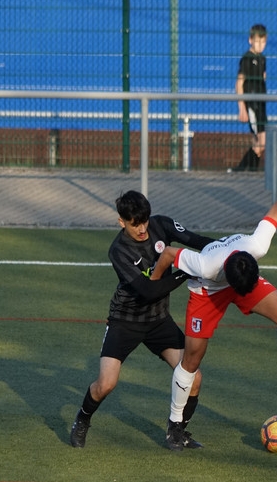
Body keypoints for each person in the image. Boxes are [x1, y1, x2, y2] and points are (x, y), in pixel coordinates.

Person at [150, 193, 277, 451]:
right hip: (207, 292)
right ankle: (174, 424)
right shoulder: (205, 265)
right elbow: (169, 253)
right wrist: (153, 286)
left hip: (242, 277)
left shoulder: (256, 246)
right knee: (191, 360)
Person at [70, 190, 215, 449]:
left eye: (145, 221)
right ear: (121, 222)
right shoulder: (118, 250)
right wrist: (186, 272)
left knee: (195, 378)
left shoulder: (162, 225)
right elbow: (148, 290)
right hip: (125, 321)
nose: (142, 229)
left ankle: (178, 432)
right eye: (135, 224)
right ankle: (82, 419)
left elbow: (197, 240)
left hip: (159, 320)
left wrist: (229, 248)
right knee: (106, 384)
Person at [232, 24, 267, 172]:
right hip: (252, 105)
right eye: (257, 41)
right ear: (250, 40)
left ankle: (251, 174)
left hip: (261, 105)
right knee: (262, 142)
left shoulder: (262, 59)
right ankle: (239, 170)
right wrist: (242, 108)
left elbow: (263, 78)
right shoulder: (247, 59)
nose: (260, 45)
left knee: (257, 143)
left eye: (263, 42)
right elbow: (239, 84)